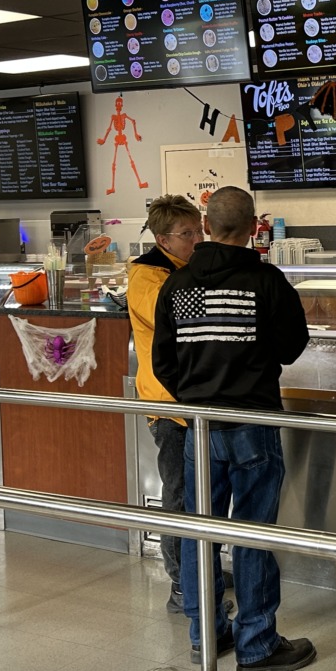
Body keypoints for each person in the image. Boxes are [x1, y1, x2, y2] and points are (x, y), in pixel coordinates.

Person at [152, 186, 315, 671]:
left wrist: (198, 395)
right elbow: (291, 347)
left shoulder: (176, 286)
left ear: (205, 225)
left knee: (201, 533)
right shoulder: (266, 280)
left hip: (198, 427)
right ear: (252, 228)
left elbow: (162, 363)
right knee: (251, 536)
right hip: (253, 423)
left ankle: (206, 639)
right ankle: (257, 646)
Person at [127, 195, 203, 615]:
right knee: (177, 497)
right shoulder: (146, 277)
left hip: (194, 401)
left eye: (199, 231)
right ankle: (180, 585)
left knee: (200, 498)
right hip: (168, 404)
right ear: (162, 240)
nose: (196, 240)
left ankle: (199, 568)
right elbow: (179, 318)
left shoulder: (184, 268)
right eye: (187, 234)